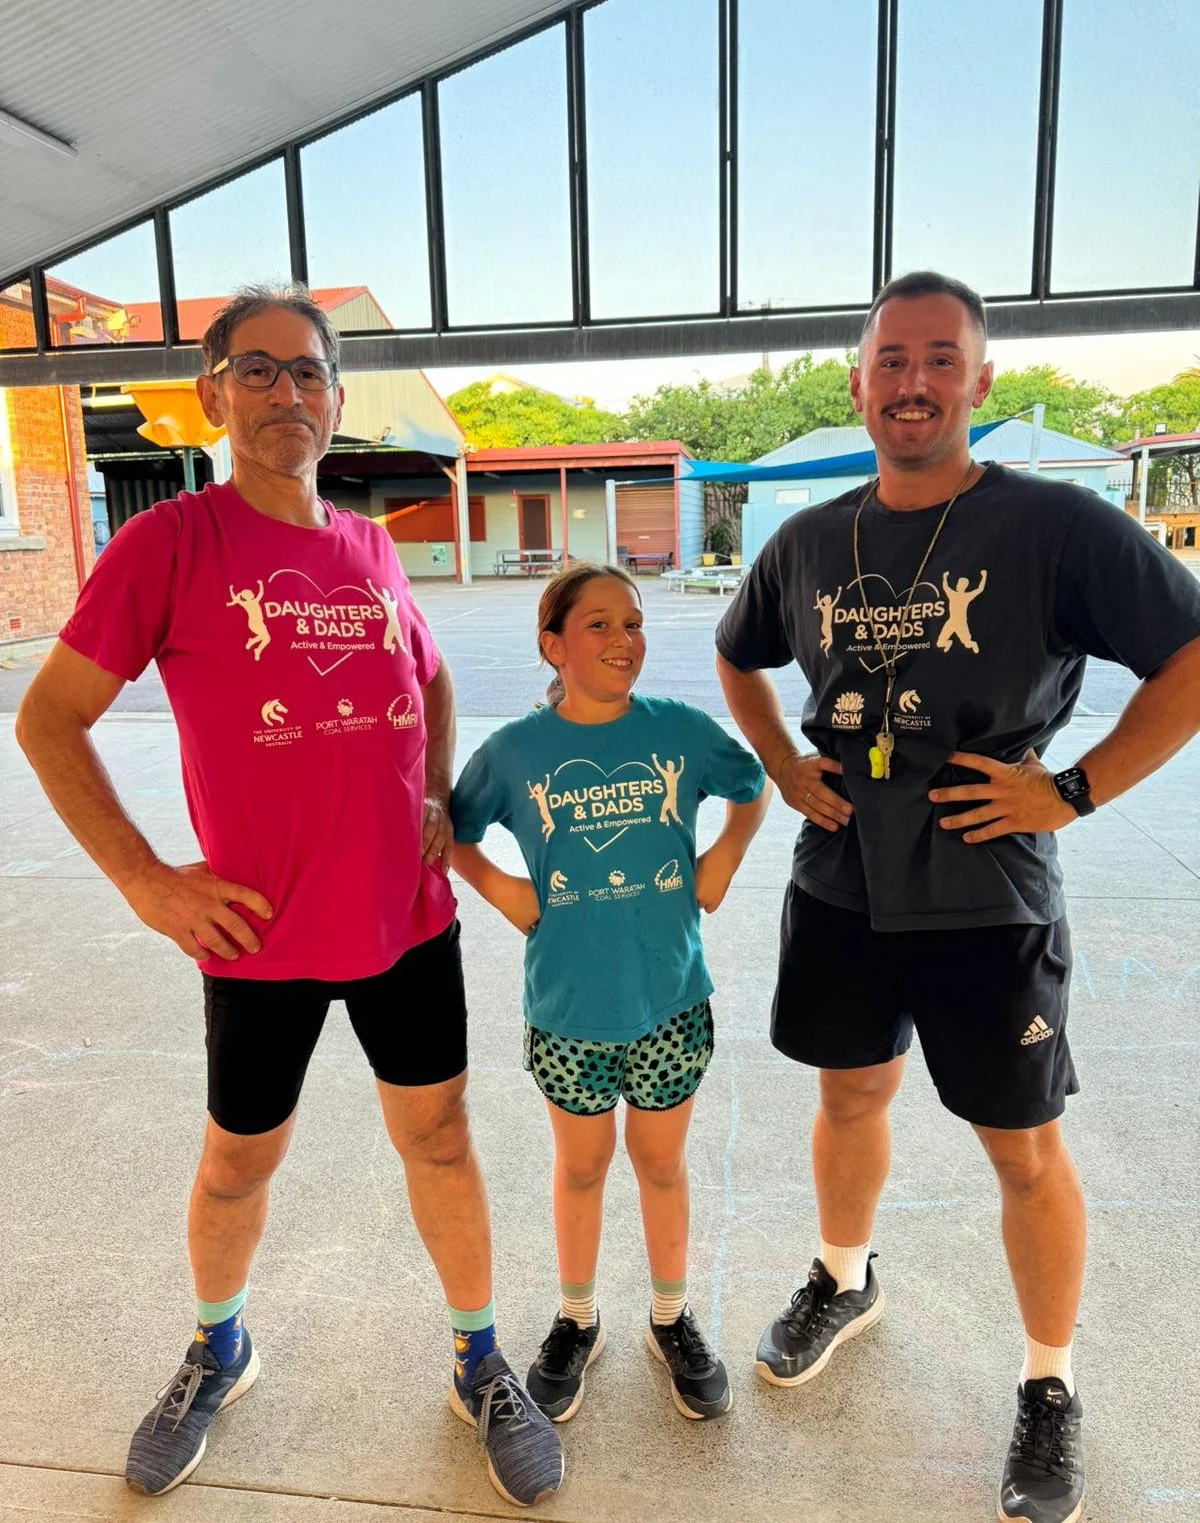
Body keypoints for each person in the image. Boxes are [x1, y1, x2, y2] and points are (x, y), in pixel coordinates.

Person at [15, 284, 563, 1509]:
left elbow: (428, 676)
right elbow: (49, 719)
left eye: (307, 373)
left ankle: (479, 1357)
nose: (285, 394)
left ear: (335, 397)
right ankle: (220, 1343)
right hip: (258, 938)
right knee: (236, 1165)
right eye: (255, 372)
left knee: (441, 1139)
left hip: (405, 926)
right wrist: (146, 879)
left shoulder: (368, 545)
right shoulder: (170, 544)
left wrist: (437, 805)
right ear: (213, 393)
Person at [714, 270, 1200, 1523]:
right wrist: (780, 759)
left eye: (941, 359)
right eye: (891, 360)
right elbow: (736, 649)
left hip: (988, 888)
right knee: (850, 1090)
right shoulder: (812, 539)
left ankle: (1049, 1381)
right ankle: (844, 1274)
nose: (913, 382)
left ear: (980, 382)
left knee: (1023, 1149)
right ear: (859, 380)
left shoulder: (1053, 527)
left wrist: (1076, 789)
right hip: (839, 882)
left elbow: (1191, 655)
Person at [450, 564, 769, 1426]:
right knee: (583, 1168)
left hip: (668, 999)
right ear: (552, 643)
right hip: (568, 1012)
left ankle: (671, 1316)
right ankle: (576, 1318)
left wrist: (723, 860)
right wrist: (502, 887)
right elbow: (448, 827)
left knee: (661, 1165)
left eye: (632, 624)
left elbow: (753, 786)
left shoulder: (680, 732)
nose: (623, 640)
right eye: (598, 625)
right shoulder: (515, 751)